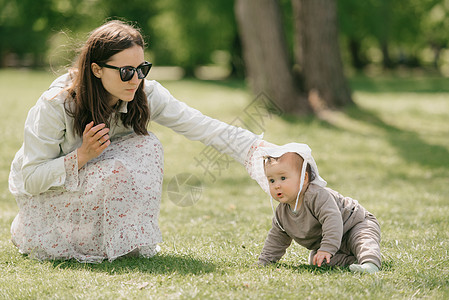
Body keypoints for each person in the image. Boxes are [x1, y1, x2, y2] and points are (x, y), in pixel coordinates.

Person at [9, 20, 266, 263]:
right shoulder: (56, 105)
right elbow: (31, 179)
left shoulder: (143, 93)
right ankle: (52, 233)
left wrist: (257, 149)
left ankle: (124, 241)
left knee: (147, 146)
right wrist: (82, 155)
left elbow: (200, 124)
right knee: (114, 170)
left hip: (95, 182)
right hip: (48, 196)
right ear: (96, 70)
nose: (136, 80)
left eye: (142, 69)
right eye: (126, 72)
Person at [247, 143, 381, 274]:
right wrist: (264, 262)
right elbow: (276, 239)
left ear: (304, 179)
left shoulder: (316, 196)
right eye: (271, 180)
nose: (277, 185)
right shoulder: (282, 213)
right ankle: (355, 262)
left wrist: (327, 248)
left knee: (362, 240)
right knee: (317, 260)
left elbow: (332, 220)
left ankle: (370, 263)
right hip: (333, 242)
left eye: (283, 178)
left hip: (355, 224)